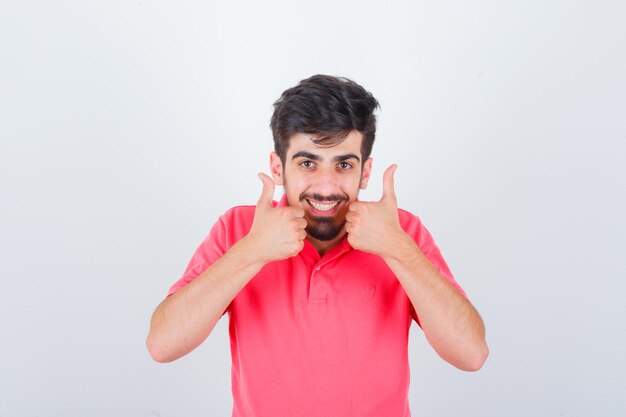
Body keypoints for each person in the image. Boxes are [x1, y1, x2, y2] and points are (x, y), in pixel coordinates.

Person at [146, 74, 488, 417]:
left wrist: (397, 248)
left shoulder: (402, 232)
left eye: (343, 164)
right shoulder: (238, 230)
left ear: (365, 173)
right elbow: (163, 345)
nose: (326, 187)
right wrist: (252, 251)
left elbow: (471, 355)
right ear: (278, 168)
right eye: (308, 163)